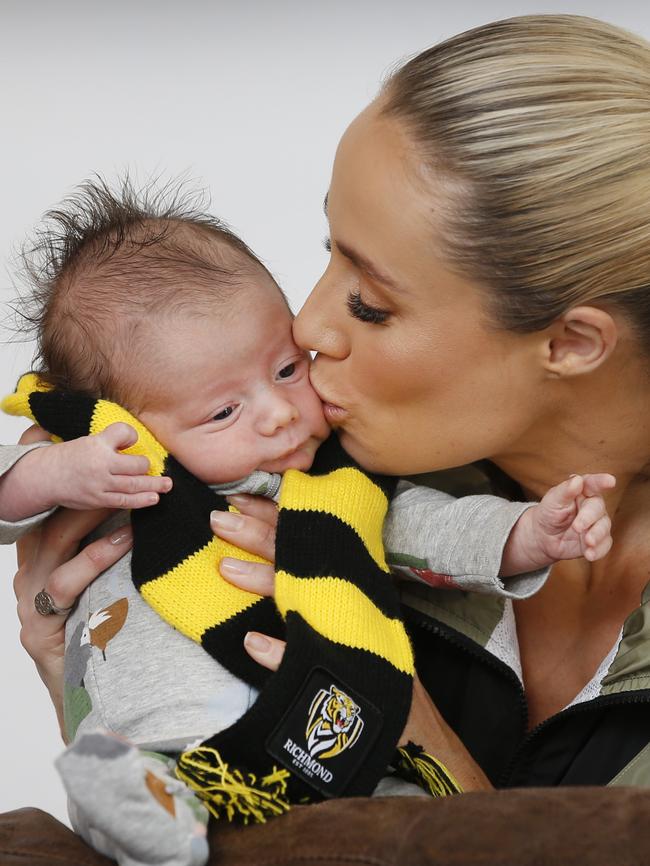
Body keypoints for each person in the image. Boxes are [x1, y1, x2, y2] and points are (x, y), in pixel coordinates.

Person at [10, 9, 650, 832]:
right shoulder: (296, 478)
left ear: (571, 341)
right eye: (327, 251)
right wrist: (85, 667)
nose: (305, 329)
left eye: (369, 302)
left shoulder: (375, 511)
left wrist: (412, 727)